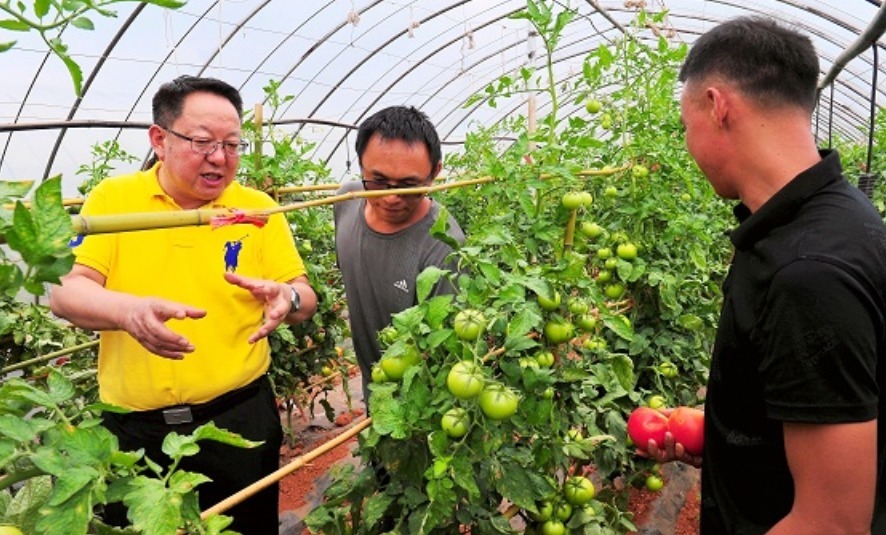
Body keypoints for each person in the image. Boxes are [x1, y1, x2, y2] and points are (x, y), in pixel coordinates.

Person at [641, 16, 886, 534]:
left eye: (686, 125)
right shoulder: (830, 223)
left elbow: (832, 524)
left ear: (717, 105)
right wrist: (732, 435)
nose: (688, 145)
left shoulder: (808, 273)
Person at [50, 75, 318, 534]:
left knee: (248, 526)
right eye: (202, 142)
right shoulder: (116, 201)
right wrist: (127, 312)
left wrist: (287, 297)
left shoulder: (256, 208)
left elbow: (304, 294)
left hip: (240, 420)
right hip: (135, 432)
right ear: (160, 139)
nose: (220, 157)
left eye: (232, 145)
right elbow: (65, 291)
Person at [334, 105, 466, 405]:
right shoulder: (346, 201)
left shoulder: (444, 248)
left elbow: (443, 357)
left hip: (416, 406)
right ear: (360, 165)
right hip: (375, 390)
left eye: (409, 186)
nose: (391, 197)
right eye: (377, 181)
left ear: (435, 173)